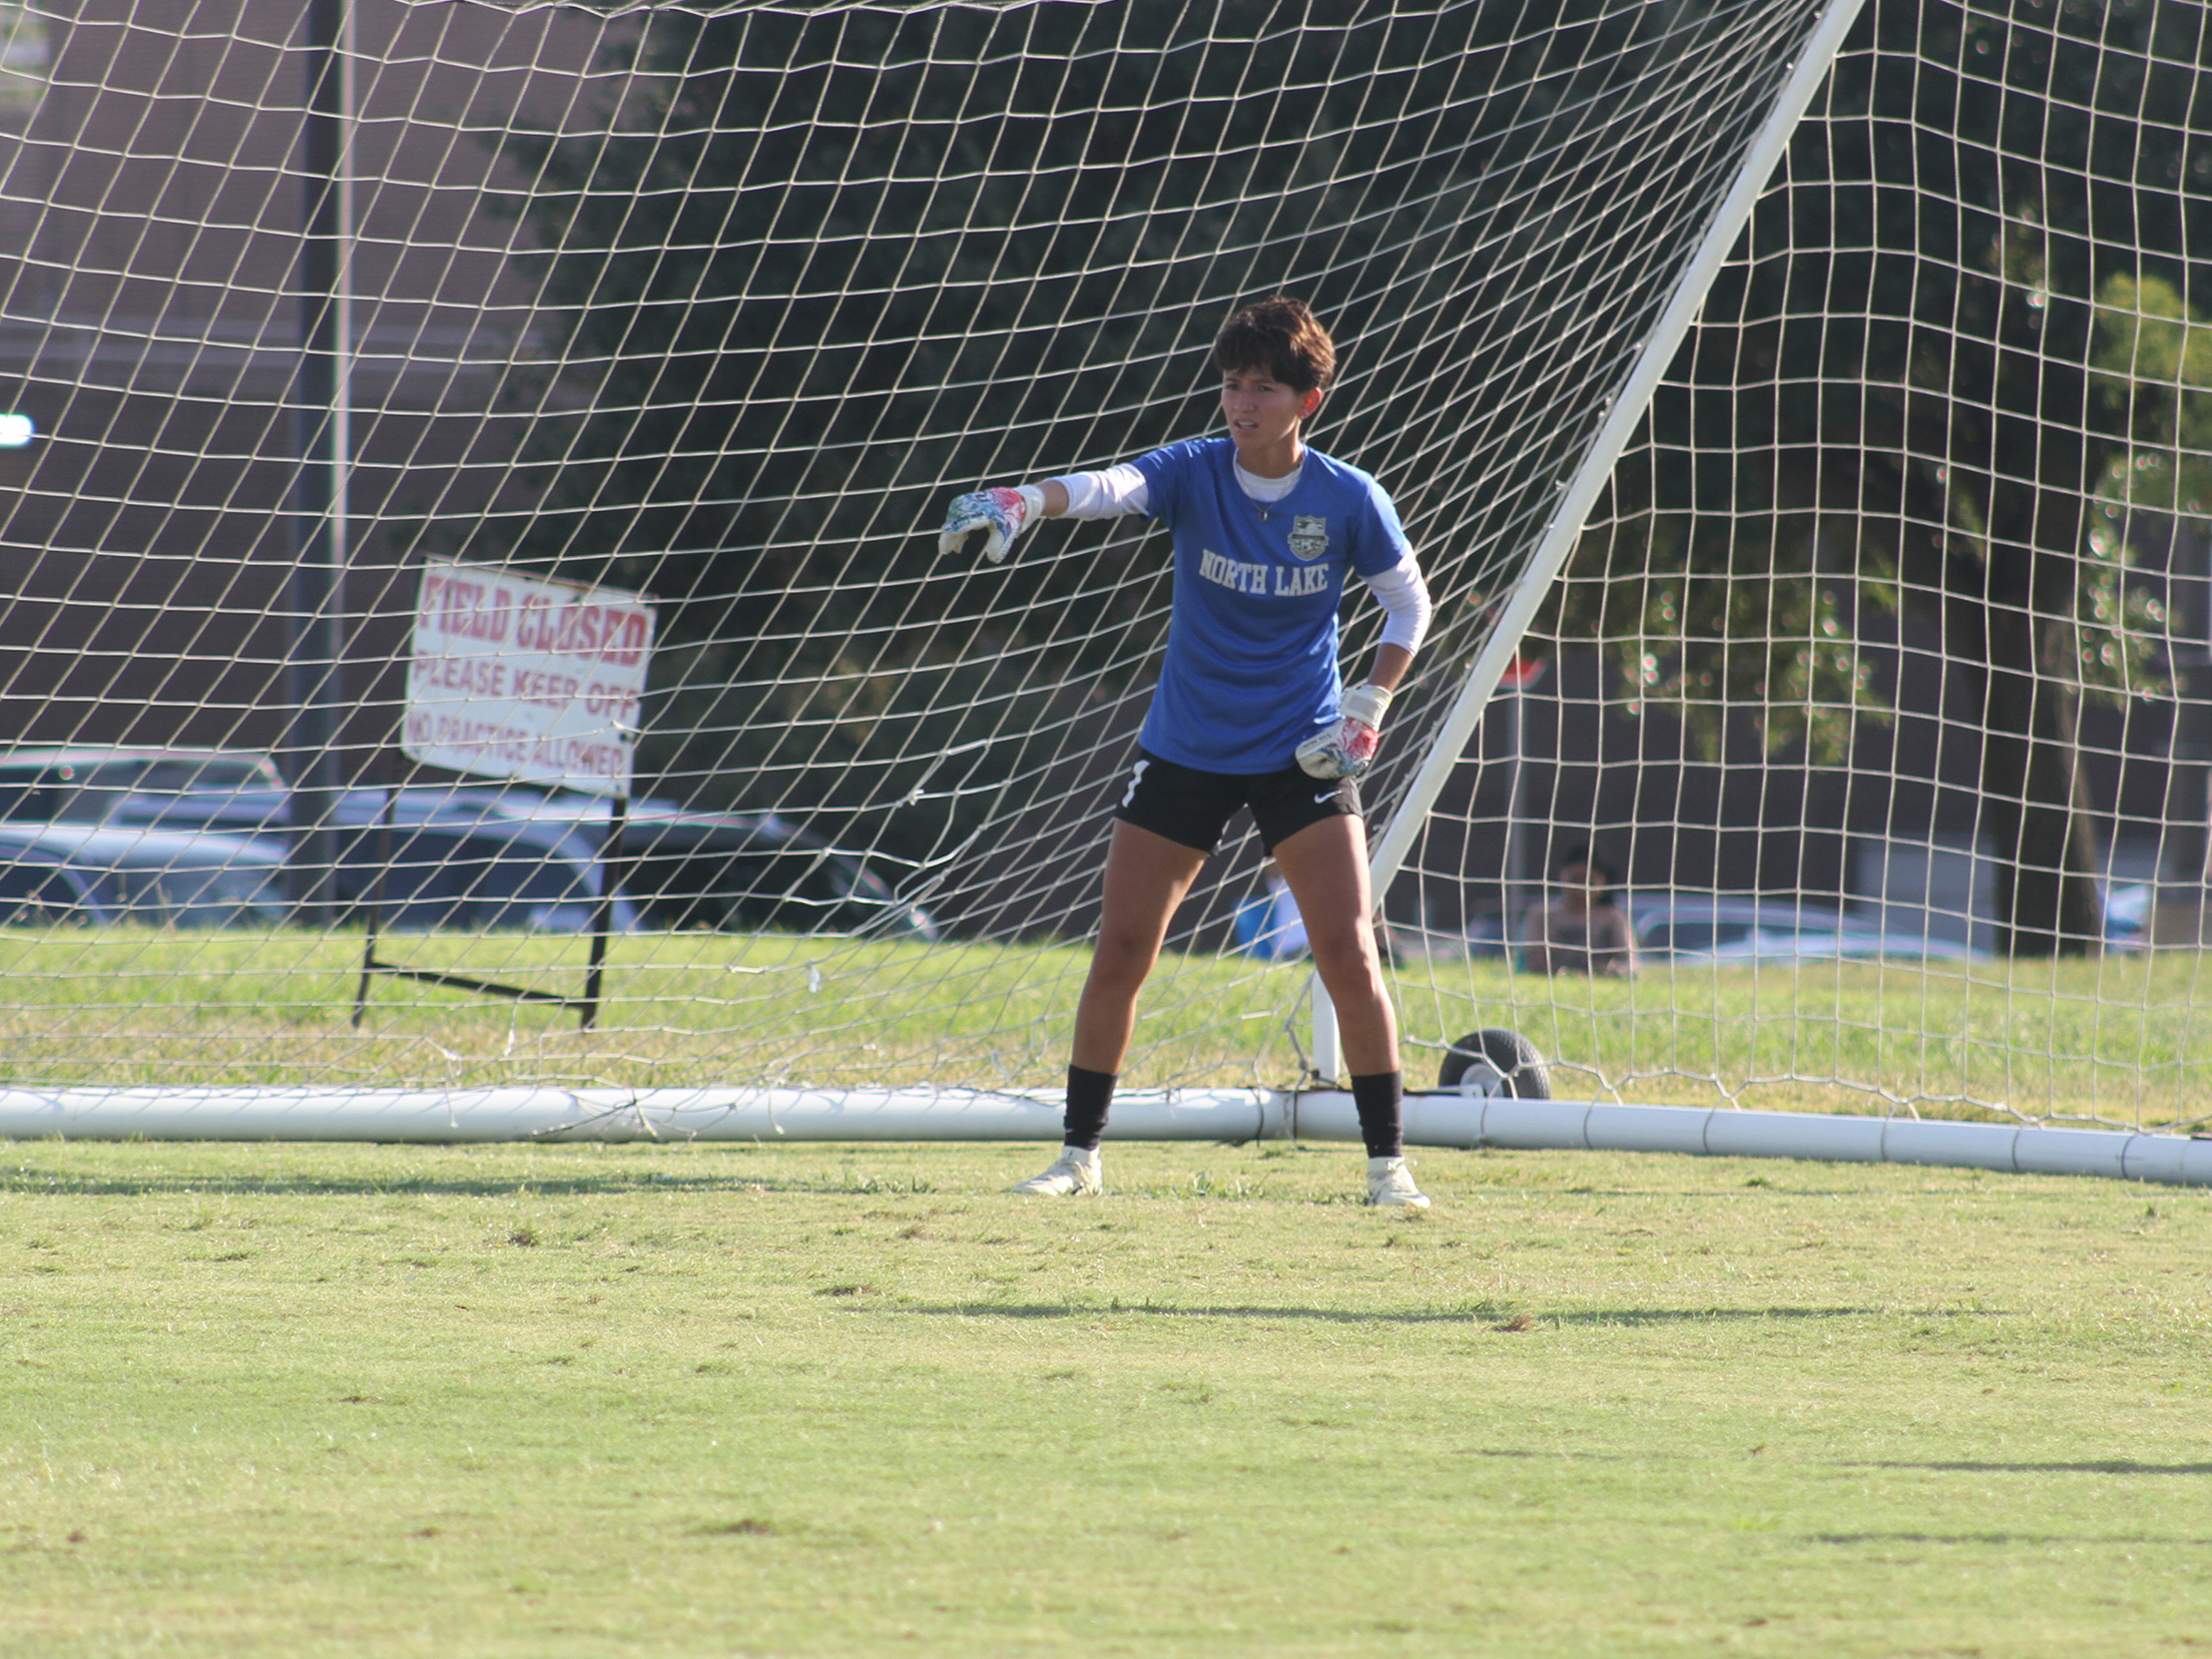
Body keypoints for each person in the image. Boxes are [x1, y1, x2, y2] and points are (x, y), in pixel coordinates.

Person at [937, 295, 1434, 1207]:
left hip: (1302, 758)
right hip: (1186, 749)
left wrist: (1371, 700)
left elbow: (1410, 605)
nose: (1242, 404)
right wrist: (1025, 500)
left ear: (1307, 401)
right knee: (1122, 948)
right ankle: (1079, 1159)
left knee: (1349, 954)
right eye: (1232, 385)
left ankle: (1387, 1167)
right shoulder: (1195, 472)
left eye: (1265, 389)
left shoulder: (1350, 497)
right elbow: (1109, 485)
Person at [1520, 843, 1636, 977]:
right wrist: (1566, 974)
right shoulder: (1541, 915)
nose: (1581, 889)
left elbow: (1631, 963)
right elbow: (1531, 963)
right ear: (1561, 877)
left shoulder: (1613, 918)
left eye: (1589, 882)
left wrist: (1615, 972)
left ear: (1603, 882)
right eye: (1574, 880)